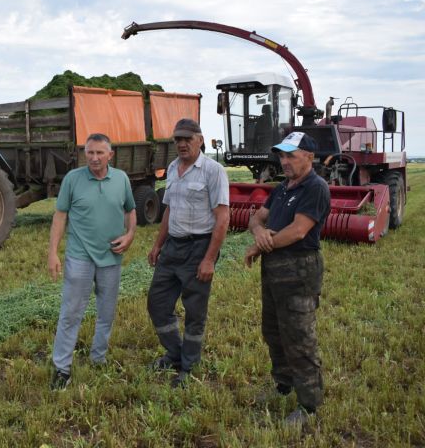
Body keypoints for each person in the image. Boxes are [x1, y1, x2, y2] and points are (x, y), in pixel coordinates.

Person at [244, 131, 330, 425]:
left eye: (291, 155)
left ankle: (309, 405)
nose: (284, 161)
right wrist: (259, 232)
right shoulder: (282, 188)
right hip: (273, 268)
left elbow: (298, 231)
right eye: (281, 155)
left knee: (299, 337)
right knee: (273, 331)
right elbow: (257, 217)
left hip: (299, 268)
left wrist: (259, 244)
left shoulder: (315, 188)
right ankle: (283, 386)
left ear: (309, 157)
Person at [48, 133, 137, 390]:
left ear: (111, 155)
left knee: (106, 313)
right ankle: (62, 368)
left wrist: (130, 234)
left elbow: (130, 210)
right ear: (84, 154)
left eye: (100, 153)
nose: (94, 158)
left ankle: (98, 358)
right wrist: (53, 252)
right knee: (71, 313)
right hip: (80, 257)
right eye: (90, 152)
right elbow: (60, 216)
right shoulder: (73, 179)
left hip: (112, 257)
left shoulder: (121, 179)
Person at [147, 119, 230, 387]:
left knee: (194, 310)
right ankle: (175, 353)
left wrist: (208, 259)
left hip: (198, 247)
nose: (182, 144)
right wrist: (158, 245)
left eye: (187, 139)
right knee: (157, 303)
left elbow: (223, 217)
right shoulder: (172, 168)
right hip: (173, 246)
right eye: (177, 140)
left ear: (200, 139)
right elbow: (169, 209)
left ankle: (189, 365)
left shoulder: (213, 171)